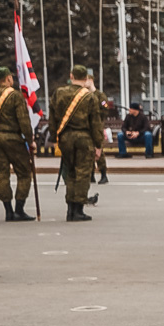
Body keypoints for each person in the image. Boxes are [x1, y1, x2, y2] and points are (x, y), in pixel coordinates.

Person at [48, 65, 105, 222]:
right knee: (82, 174)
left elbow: (52, 119)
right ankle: (78, 210)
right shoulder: (90, 97)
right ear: (86, 79)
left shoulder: (58, 93)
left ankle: (69, 209)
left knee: (70, 172)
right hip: (83, 138)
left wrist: (54, 139)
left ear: (71, 76)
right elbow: (96, 123)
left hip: (65, 139)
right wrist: (98, 145)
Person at [0, 69, 38, 221]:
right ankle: (19, 209)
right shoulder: (15, 96)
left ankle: (8, 210)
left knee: (2, 175)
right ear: (8, 78)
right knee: (24, 173)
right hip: (13, 140)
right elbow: (23, 120)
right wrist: (30, 139)